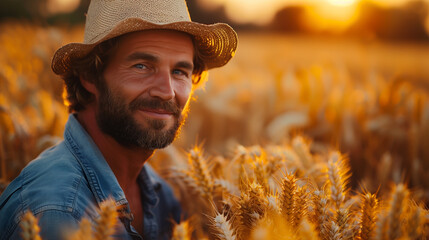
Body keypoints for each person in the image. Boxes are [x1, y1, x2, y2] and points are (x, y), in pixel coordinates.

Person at [0, 0, 237, 239]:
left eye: (179, 72)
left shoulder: (162, 195)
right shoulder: (56, 215)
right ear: (89, 75)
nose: (167, 91)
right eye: (142, 66)